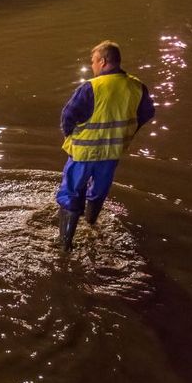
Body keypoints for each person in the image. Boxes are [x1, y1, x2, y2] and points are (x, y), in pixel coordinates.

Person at [56, 40, 155, 250]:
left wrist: (71, 135)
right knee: (99, 190)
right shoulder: (136, 86)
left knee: (71, 192)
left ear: (102, 61)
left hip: (83, 153)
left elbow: (68, 117)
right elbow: (147, 113)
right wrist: (127, 133)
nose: (92, 65)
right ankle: (91, 226)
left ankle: (65, 244)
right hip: (112, 153)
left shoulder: (91, 87)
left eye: (93, 61)